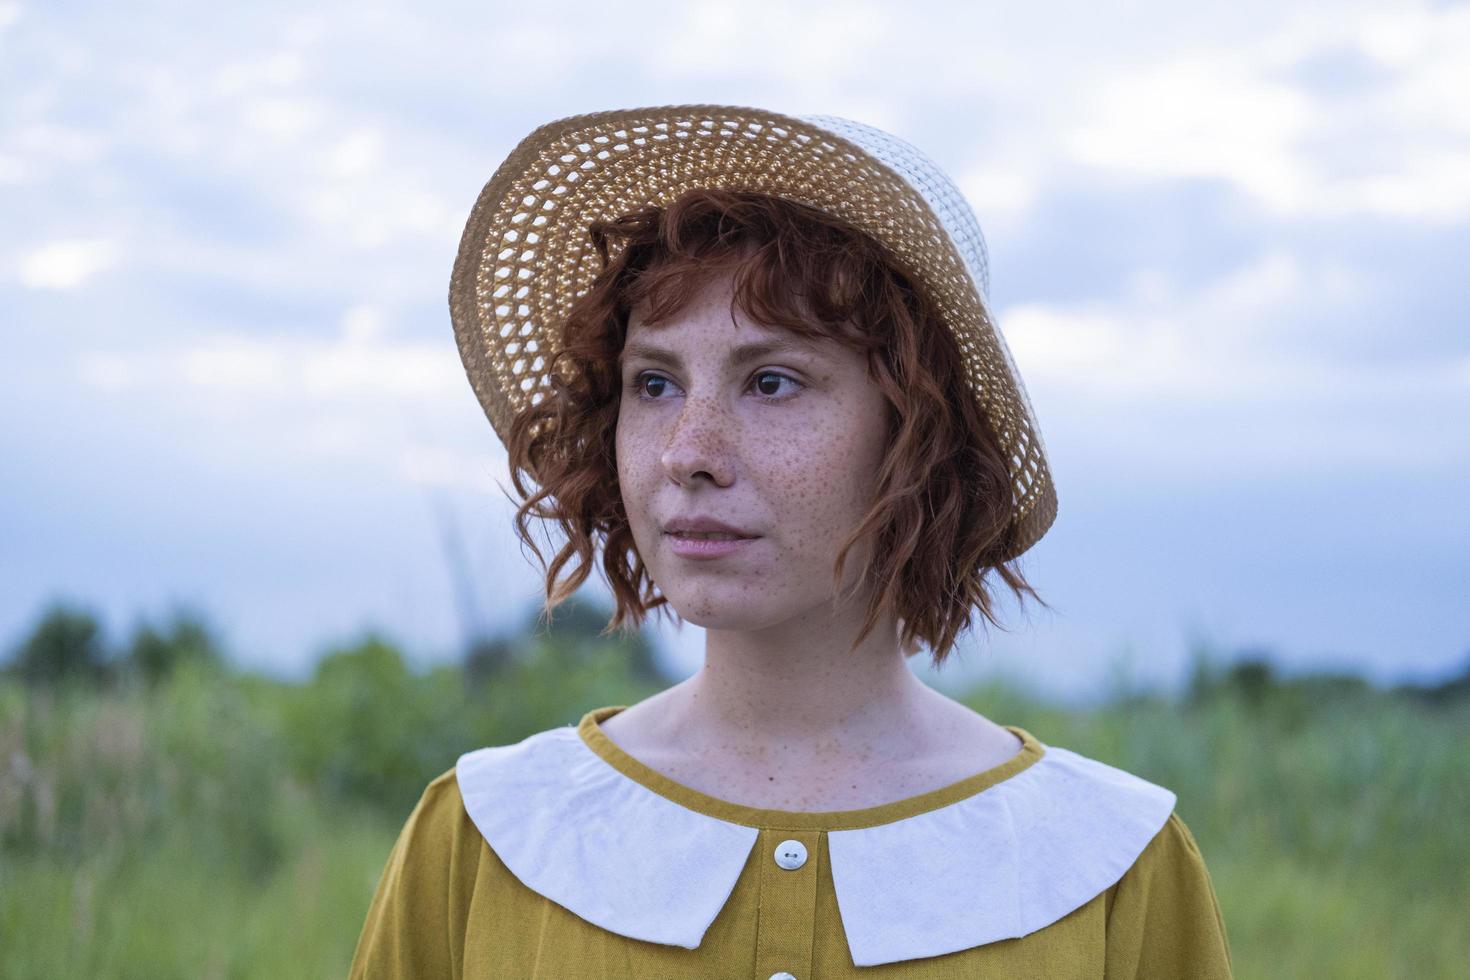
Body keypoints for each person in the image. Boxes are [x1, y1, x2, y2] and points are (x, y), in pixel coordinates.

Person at [348, 104, 1233, 978]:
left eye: (771, 382)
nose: (688, 452)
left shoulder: (1111, 867)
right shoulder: (485, 838)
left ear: (917, 434)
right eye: (654, 384)